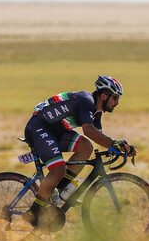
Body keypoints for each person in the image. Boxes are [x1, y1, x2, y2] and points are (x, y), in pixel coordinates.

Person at [23, 75, 136, 228]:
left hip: (56, 130)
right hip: (39, 127)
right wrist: (113, 143)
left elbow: (99, 137)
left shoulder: (96, 112)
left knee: (86, 147)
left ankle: (61, 187)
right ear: (104, 95)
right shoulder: (86, 101)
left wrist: (121, 148)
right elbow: (88, 131)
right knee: (58, 170)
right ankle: (33, 213)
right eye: (115, 98)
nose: (117, 103)